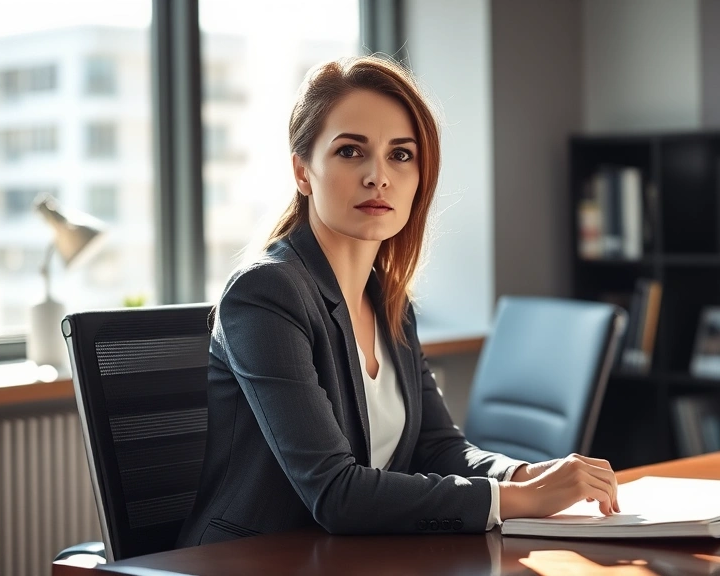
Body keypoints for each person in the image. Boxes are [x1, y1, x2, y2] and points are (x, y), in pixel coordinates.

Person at [176, 55, 620, 547]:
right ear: (303, 172)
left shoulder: (388, 298)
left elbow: (438, 447)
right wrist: (516, 501)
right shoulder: (265, 294)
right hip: (250, 560)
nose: (378, 177)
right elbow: (335, 492)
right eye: (350, 151)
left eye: (401, 155)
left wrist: (527, 475)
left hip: (353, 557)